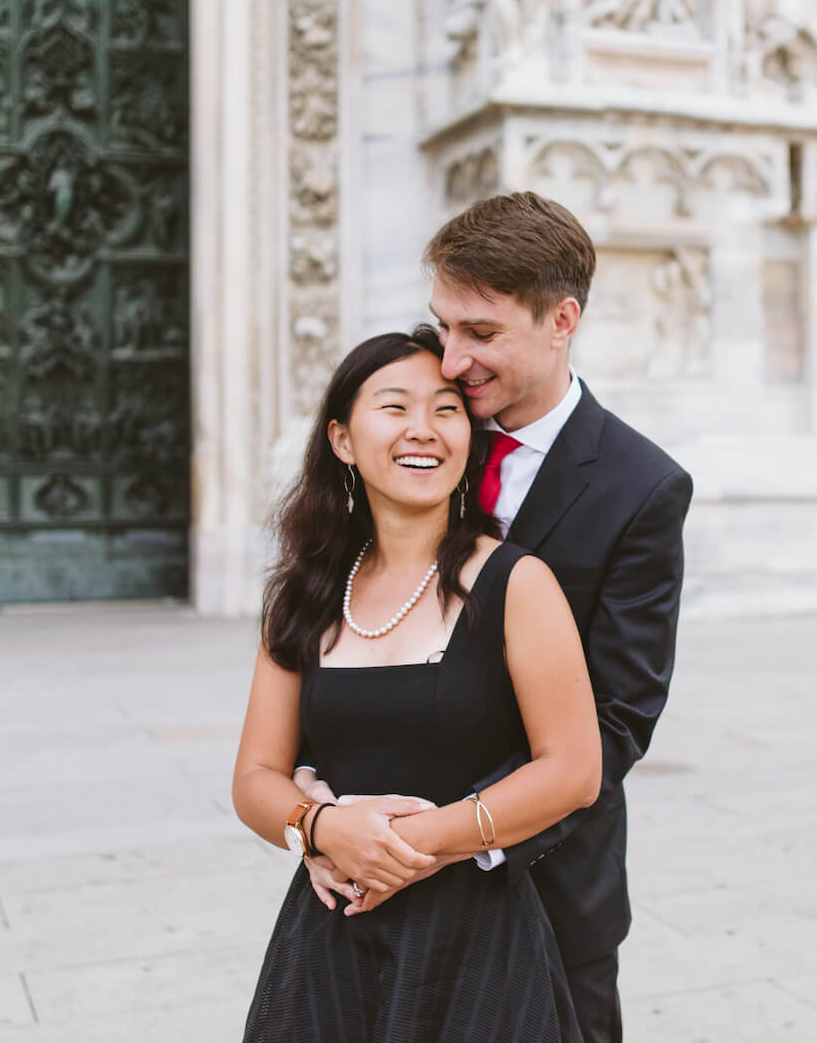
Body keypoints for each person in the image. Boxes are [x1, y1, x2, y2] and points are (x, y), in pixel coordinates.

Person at [295, 191, 694, 1042]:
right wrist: (316, 800)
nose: (449, 360)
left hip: (540, 889)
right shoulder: (418, 432)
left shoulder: (641, 487)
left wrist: (437, 841)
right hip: (363, 881)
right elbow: (347, 623)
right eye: (443, 326)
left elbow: (618, 720)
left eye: (481, 333)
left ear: (562, 321)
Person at [232, 326, 601, 1041]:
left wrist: (406, 846)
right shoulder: (305, 594)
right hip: (331, 939)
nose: (422, 431)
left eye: (446, 409)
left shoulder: (515, 582)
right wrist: (321, 828)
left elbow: (574, 771)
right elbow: (254, 776)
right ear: (342, 439)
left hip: (478, 944)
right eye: (394, 408)